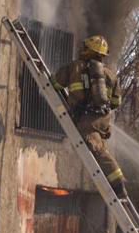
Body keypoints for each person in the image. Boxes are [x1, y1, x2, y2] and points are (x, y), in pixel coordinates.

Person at [52, 35, 126, 197]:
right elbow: (116, 103)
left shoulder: (75, 67)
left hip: (86, 120)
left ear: (88, 50)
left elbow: (55, 84)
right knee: (100, 147)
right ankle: (115, 181)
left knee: (98, 151)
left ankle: (118, 184)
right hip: (103, 121)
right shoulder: (111, 75)